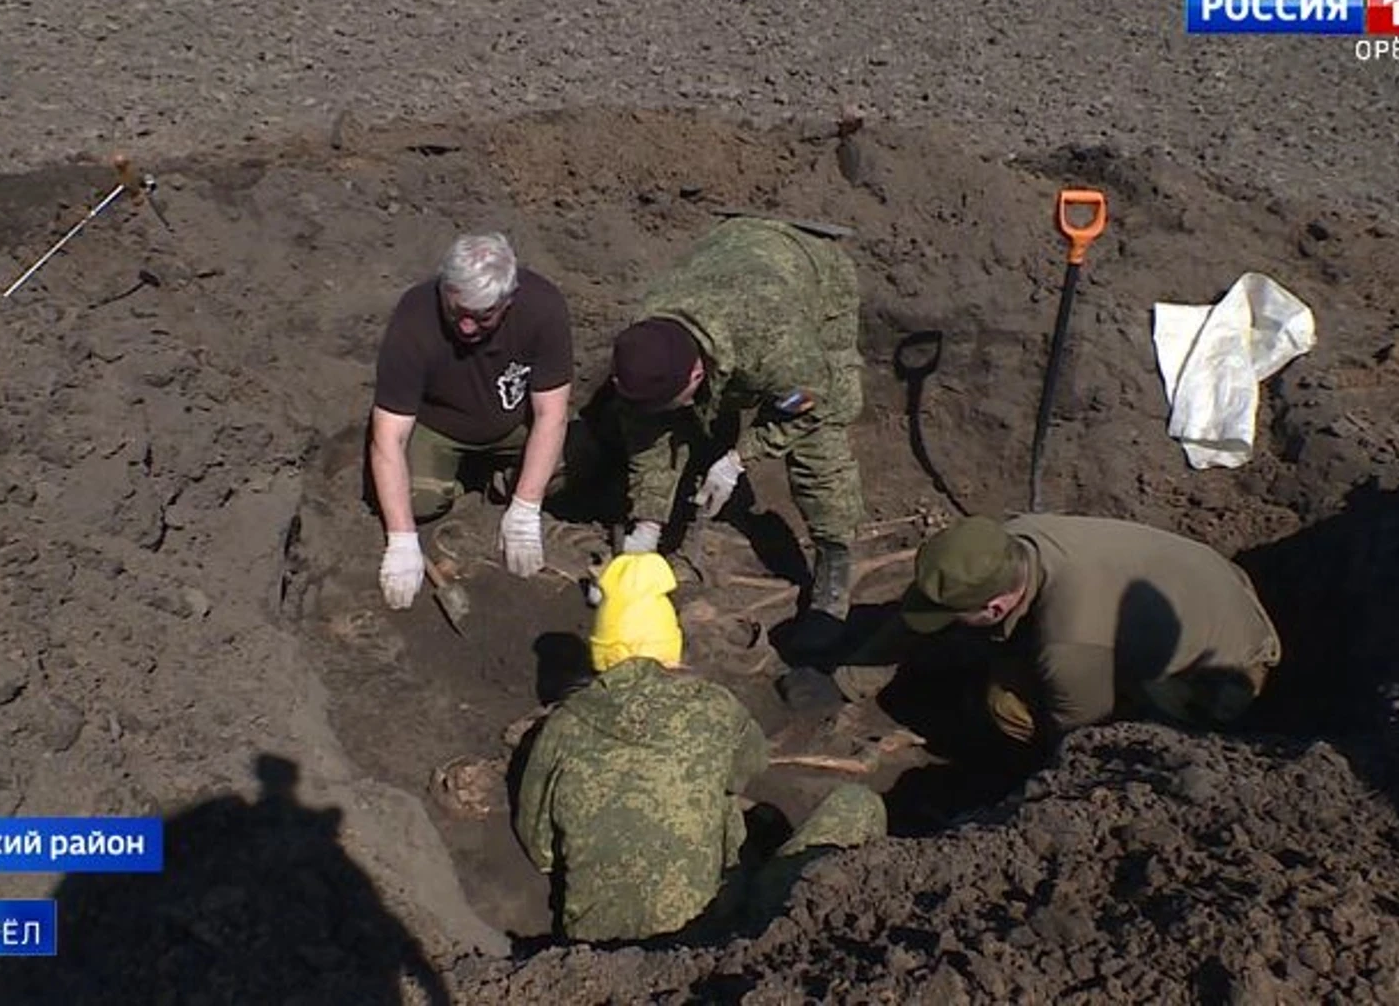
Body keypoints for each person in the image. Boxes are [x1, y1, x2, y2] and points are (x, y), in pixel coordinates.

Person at [513, 552, 885, 944]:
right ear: (670, 643)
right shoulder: (714, 707)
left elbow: (541, 851)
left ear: (602, 651)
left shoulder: (563, 725)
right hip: (713, 942)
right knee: (856, 805)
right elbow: (750, 767)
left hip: (592, 951)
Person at [816, 514, 1283, 745]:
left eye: (953, 614)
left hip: (1223, 672)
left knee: (1007, 704)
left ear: (997, 605)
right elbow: (918, 616)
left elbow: (1082, 736)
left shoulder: (1071, 643)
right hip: (1213, 588)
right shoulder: (1010, 538)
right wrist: (848, 679)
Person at [606, 216, 866, 629]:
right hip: (732, 249)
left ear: (695, 374)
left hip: (814, 276)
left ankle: (835, 556)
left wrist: (739, 458)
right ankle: (685, 527)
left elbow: (811, 401)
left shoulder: (776, 340)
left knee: (821, 443)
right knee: (691, 421)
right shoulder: (648, 334)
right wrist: (646, 526)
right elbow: (649, 433)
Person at [369, 233, 573, 610]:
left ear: (508, 302)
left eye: (482, 317)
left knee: (567, 468)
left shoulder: (543, 309)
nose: (466, 328)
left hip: (513, 424)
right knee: (417, 500)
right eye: (456, 312)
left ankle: (504, 487)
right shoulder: (414, 319)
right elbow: (388, 438)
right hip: (440, 427)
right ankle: (458, 485)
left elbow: (552, 414)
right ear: (445, 288)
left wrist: (526, 509)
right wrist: (401, 539)